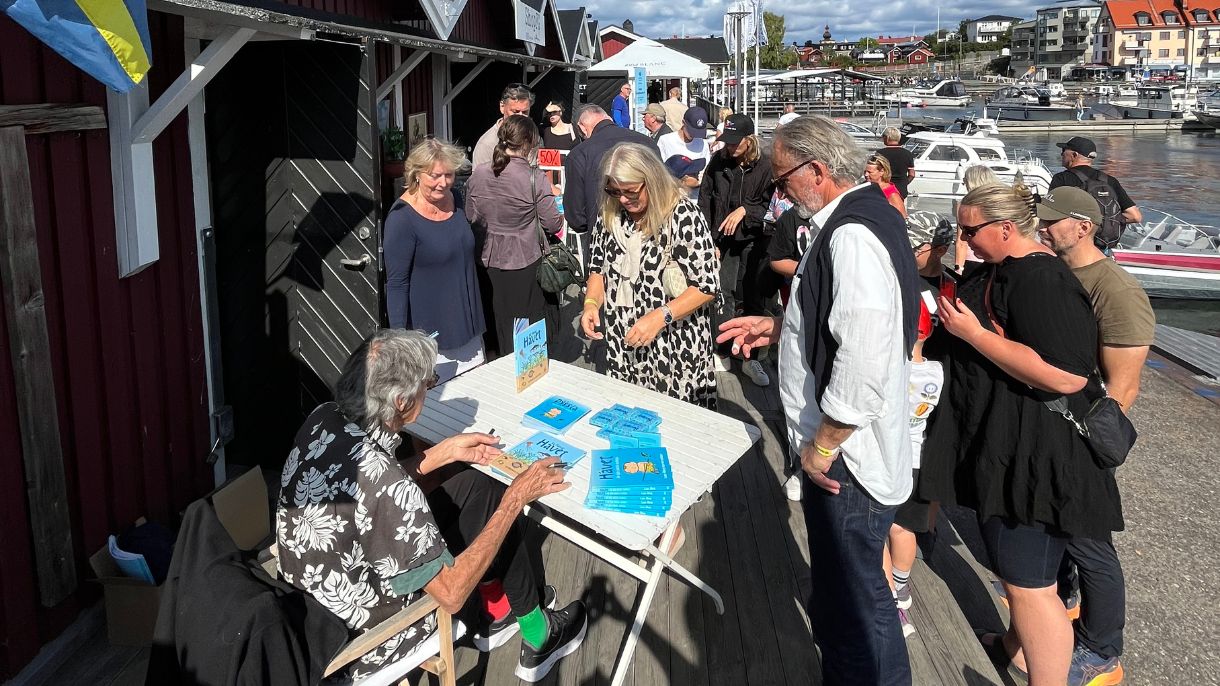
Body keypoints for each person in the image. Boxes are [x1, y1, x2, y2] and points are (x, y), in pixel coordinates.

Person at [717, 115, 921, 685]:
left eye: (782, 182)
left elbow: (865, 355)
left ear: (818, 171)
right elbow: (843, 319)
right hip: (851, 452)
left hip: (847, 460)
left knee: (859, 604)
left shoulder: (851, 234)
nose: (777, 194)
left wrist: (823, 446)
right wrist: (783, 326)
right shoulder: (865, 217)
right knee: (844, 595)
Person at [276, 329, 587, 683]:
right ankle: (538, 632)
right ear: (402, 402)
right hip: (361, 641)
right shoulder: (390, 489)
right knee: (503, 500)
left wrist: (444, 452)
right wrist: (516, 497)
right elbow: (452, 594)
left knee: (476, 485)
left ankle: (500, 612)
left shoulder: (323, 418)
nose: (431, 386)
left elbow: (368, 489)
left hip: (309, 602)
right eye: (429, 381)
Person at [921, 183, 1123, 685]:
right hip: (1009, 447)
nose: (963, 240)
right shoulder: (1004, 270)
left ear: (1006, 229)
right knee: (1025, 577)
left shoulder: (1041, 280)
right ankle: (1012, 644)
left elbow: (1066, 375)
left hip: (1035, 457)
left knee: (1031, 585)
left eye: (971, 231)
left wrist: (974, 336)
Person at [1038, 185, 1154, 685]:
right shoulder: (1053, 270)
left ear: (1082, 226)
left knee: (1089, 541)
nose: (1043, 227)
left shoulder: (1116, 288)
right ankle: (1059, 604)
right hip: (1047, 423)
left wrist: (1088, 447)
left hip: (1081, 432)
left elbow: (1123, 386)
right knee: (1053, 528)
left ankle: (1102, 650)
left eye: (1052, 220)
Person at [579, 143, 720, 408]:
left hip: (675, 343)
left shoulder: (683, 216)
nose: (622, 199)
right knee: (630, 419)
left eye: (630, 191)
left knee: (676, 425)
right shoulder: (610, 215)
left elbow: (706, 285)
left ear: (651, 180)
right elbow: (597, 269)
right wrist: (590, 304)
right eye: (614, 191)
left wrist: (659, 317)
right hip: (625, 339)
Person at [384, 139, 486, 383]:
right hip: (432, 338)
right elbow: (397, 284)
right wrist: (401, 343)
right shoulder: (401, 219)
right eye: (435, 176)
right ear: (416, 174)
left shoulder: (455, 200)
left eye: (449, 175)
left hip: (467, 327)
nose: (443, 183)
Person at [466, 115, 564, 354]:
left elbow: (471, 215)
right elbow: (552, 224)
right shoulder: (534, 177)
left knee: (495, 317)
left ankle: (496, 365)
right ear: (529, 142)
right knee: (525, 323)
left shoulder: (478, 173)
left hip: (486, 259)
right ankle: (524, 372)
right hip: (524, 260)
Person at [699, 113, 776, 388]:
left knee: (753, 297)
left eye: (734, 142)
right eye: (726, 142)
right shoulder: (718, 161)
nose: (729, 147)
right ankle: (723, 351)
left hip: (757, 239)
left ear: (749, 139)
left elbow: (775, 206)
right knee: (724, 294)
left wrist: (747, 210)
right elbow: (706, 199)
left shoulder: (766, 165)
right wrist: (709, 239)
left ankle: (751, 357)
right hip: (724, 239)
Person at [562, 104, 660, 235]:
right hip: (650, 235)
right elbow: (662, 190)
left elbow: (577, 218)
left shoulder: (579, 154)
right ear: (608, 118)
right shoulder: (648, 143)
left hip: (603, 241)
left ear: (582, 128)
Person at [1048, 136, 1142, 249]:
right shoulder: (1110, 180)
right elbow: (1135, 216)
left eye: (1064, 151)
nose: (1061, 154)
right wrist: (1104, 222)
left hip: (1074, 248)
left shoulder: (1062, 178)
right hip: (1102, 248)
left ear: (1074, 155)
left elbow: (1050, 213)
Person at [473, 83, 535, 169]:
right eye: (515, 111)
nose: (520, 117)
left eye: (525, 112)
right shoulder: (486, 144)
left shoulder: (534, 136)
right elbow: (480, 180)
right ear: (502, 107)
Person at [657, 106, 711, 200]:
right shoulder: (665, 141)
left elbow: (705, 171)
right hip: (671, 198)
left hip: (695, 199)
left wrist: (697, 182)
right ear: (683, 122)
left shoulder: (703, 143)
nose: (694, 135)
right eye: (691, 131)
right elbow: (658, 170)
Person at [954, 165, 1002, 271]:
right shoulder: (999, 204)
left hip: (972, 261)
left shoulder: (965, 206)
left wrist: (958, 268)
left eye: (965, 180)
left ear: (972, 182)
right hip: (996, 259)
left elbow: (961, 241)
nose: (963, 183)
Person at [874, 127, 915, 199]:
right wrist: (904, 183)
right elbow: (912, 174)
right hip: (901, 190)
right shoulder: (907, 153)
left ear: (887, 138)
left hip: (885, 189)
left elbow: (876, 172)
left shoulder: (880, 153)